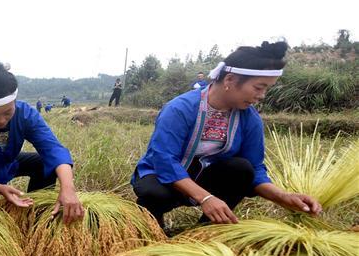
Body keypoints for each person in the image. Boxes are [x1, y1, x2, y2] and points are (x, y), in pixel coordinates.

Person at [132, 41, 322, 229]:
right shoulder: (180, 109)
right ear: (230, 80)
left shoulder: (249, 117)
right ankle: (151, 219)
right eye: (258, 87)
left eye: (266, 89)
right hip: (164, 179)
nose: (262, 95)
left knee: (242, 169)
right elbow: (164, 159)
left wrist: (282, 196)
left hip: (205, 177)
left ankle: (204, 231)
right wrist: (205, 197)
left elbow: (255, 168)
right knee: (154, 193)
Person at [0, 62, 84, 223]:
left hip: (4, 162)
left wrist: (68, 187)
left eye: (7, 112)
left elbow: (52, 149)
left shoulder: (26, 114)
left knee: (42, 163)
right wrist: (0, 188)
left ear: (15, 102)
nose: (1, 120)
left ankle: (35, 213)